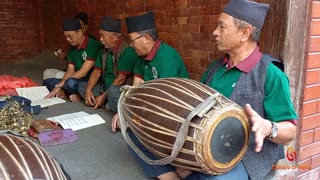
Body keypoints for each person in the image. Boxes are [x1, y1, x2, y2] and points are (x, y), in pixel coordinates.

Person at [185, 0, 296, 179]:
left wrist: (268, 127)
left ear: (245, 33)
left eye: (222, 27)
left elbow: (289, 132)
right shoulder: (215, 68)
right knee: (146, 142)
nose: (215, 32)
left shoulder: (270, 73)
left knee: (210, 178)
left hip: (248, 154)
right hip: (209, 144)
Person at [111, 11, 189, 180]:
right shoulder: (140, 56)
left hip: (176, 114)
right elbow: (136, 87)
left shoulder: (167, 57)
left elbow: (167, 101)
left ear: (146, 38)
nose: (130, 44)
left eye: (132, 40)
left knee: (141, 135)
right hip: (154, 107)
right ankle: (171, 173)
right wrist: (123, 110)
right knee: (131, 137)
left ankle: (173, 171)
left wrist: (139, 117)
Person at [77, 16, 137, 111]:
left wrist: (103, 96)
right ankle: (104, 102)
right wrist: (88, 91)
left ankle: (104, 101)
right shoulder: (104, 49)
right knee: (81, 86)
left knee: (113, 92)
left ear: (115, 36)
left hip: (117, 89)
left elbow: (121, 79)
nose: (100, 39)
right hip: (103, 87)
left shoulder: (127, 50)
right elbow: (96, 72)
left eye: (102, 35)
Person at [44, 18, 101, 102]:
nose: (67, 39)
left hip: (89, 82)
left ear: (79, 32)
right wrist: (60, 85)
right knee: (47, 82)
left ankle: (73, 94)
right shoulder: (72, 49)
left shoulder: (93, 45)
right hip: (76, 79)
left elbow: (83, 72)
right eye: (66, 36)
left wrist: (60, 85)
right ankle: (66, 92)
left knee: (69, 83)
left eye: (70, 36)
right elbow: (70, 71)